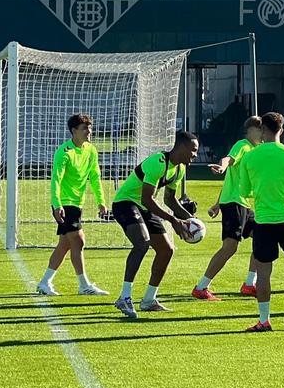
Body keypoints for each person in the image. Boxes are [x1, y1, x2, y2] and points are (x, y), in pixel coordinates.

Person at [110, 131, 200, 318]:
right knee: (142, 244)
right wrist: (173, 220)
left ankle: (149, 300)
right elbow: (147, 198)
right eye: (193, 150)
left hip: (144, 207)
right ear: (181, 147)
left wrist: (190, 219)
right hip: (126, 203)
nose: (195, 155)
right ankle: (124, 297)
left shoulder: (179, 169)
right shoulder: (158, 162)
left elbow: (170, 200)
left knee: (167, 250)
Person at [238, 112, 284, 332]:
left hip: (263, 220)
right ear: (282, 129)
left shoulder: (250, 156)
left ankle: (264, 320)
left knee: (263, 273)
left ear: (262, 130)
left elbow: (245, 190)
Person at [192, 116, 264, 301]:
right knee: (229, 247)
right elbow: (228, 160)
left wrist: (217, 204)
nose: (264, 134)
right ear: (251, 130)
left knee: (263, 238)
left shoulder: (258, 150)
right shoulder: (243, 144)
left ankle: (250, 284)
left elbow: (231, 181)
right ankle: (201, 287)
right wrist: (222, 167)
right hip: (235, 204)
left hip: (243, 204)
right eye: (261, 130)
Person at [36, 114, 109, 297]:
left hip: (77, 204)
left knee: (65, 245)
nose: (89, 131)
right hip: (64, 204)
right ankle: (84, 285)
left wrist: (101, 201)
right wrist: (56, 204)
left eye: (89, 128)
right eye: (84, 128)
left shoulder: (91, 150)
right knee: (79, 241)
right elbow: (56, 180)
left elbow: (95, 176)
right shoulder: (64, 152)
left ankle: (45, 282)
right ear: (74, 131)